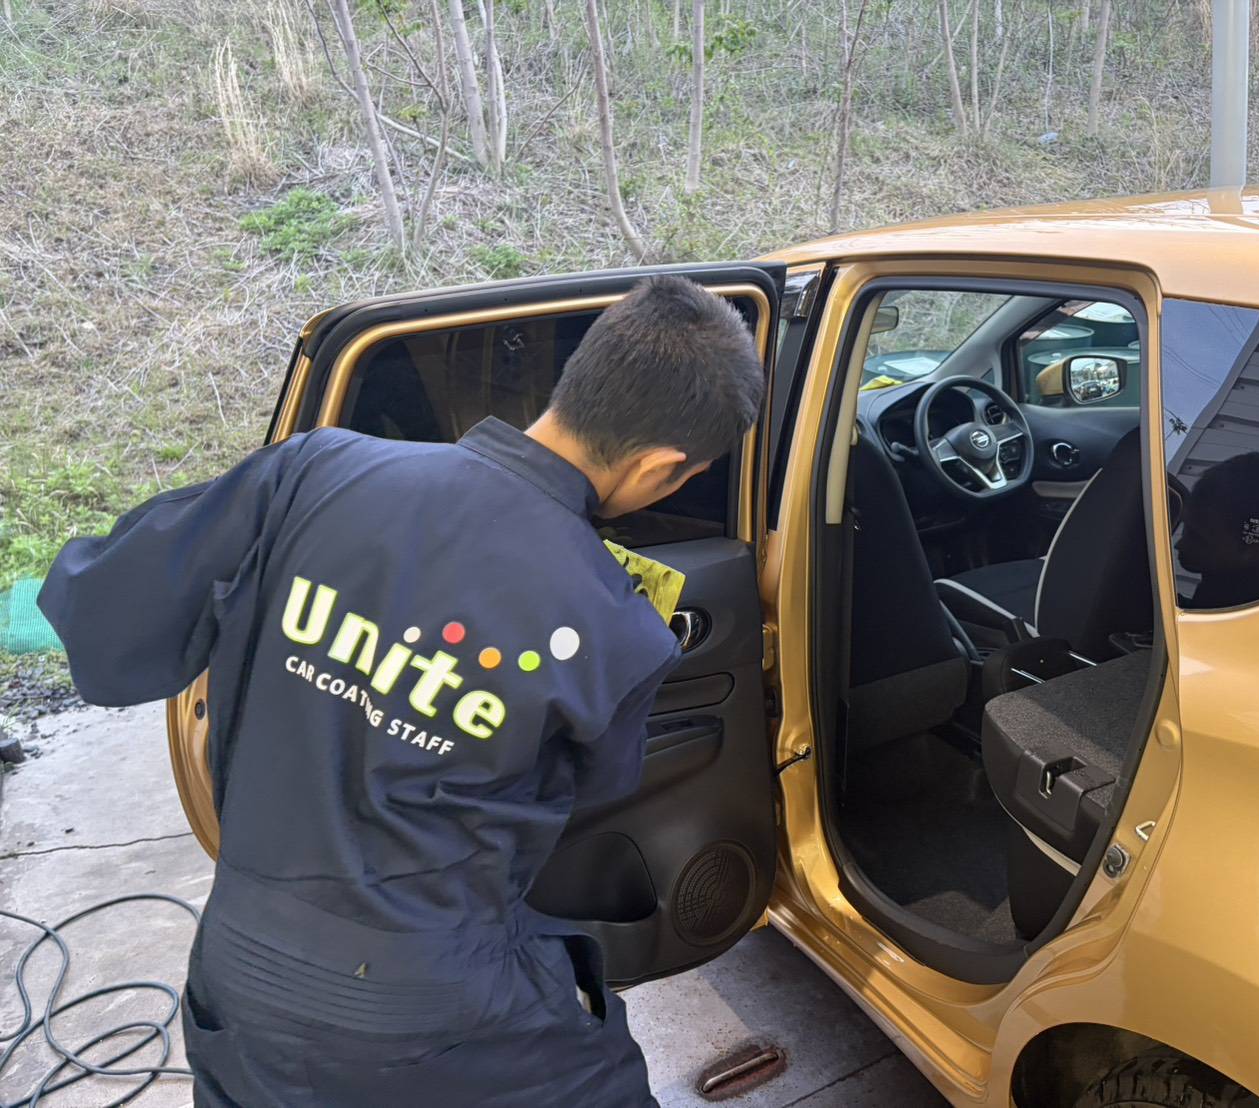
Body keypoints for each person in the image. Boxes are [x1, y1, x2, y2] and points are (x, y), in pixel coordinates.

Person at [38, 275, 765, 1107]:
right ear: (662, 467)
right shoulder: (620, 629)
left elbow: (105, 621)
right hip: (444, 1006)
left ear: (578, 381)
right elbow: (584, 797)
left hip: (241, 970)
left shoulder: (313, 470)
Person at [1175, 451, 1259, 610]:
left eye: (1199, 538)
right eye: (1186, 528)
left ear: (1256, 547)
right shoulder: (1231, 575)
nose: (1179, 544)